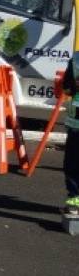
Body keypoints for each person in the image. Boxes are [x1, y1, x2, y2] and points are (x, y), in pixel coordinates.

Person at [62, 59, 79, 216]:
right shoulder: (75, 62)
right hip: (76, 124)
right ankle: (74, 200)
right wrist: (72, 87)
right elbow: (66, 87)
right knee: (72, 163)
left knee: (73, 163)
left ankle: (75, 199)